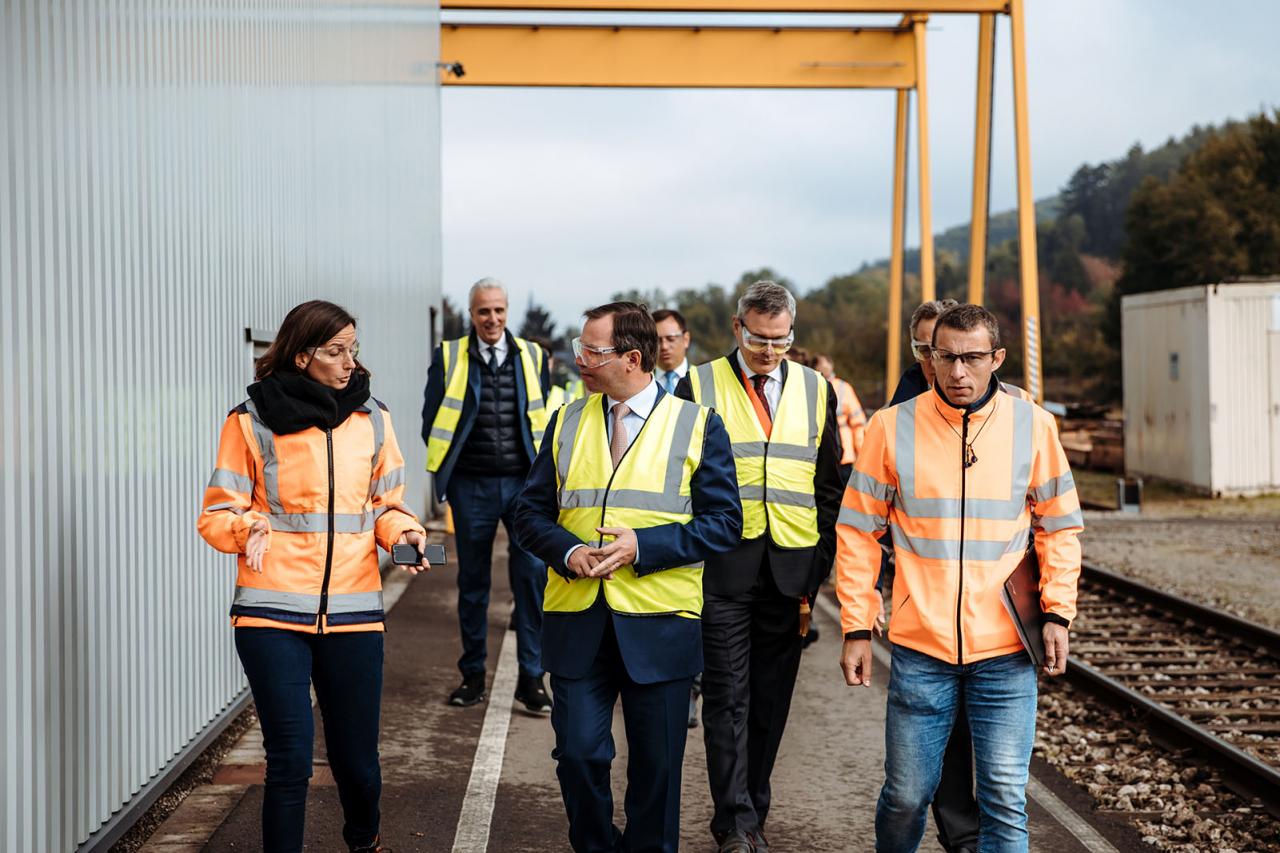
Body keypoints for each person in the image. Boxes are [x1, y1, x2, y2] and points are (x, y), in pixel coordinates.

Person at [836, 303, 1083, 853]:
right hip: (922, 649)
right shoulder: (890, 428)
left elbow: (1060, 529)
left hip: (1005, 652)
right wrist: (856, 625)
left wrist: (1058, 612)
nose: (958, 372)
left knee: (1003, 796)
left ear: (997, 358)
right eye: (944, 357)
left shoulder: (1034, 427)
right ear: (929, 356)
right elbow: (856, 532)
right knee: (906, 794)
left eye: (972, 358)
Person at [198, 300, 432, 853]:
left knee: (356, 761)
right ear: (302, 356)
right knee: (289, 759)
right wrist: (245, 527)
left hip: (353, 613)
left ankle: (364, 840)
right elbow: (216, 513)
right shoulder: (249, 421)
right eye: (335, 351)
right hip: (270, 612)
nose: (349, 362)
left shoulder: (373, 418)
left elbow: (385, 504)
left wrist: (404, 534)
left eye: (353, 348)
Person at [514, 302, 742, 853]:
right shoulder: (567, 420)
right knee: (578, 753)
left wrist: (644, 546)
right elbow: (528, 514)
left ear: (632, 359)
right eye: (580, 348)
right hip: (577, 622)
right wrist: (567, 552)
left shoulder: (697, 425)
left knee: (657, 776)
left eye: (592, 352)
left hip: (660, 627)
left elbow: (724, 524)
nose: (580, 361)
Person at [678, 281, 844, 853]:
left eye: (781, 340)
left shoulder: (816, 389)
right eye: (758, 338)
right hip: (721, 569)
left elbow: (828, 484)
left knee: (771, 703)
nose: (769, 350)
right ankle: (734, 823)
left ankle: (753, 812)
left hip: (791, 571)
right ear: (736, 327)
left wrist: (819, 561)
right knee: (727, 697)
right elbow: (680, 480)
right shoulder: (696, 384)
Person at [421, 277, 553, 712]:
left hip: (523, 485)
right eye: (483, 311)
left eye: (498, 310)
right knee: (473, 583)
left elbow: (541, 416)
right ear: (472, 313)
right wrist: (454, 475)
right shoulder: (449, 356)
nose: (492, 319)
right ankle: (472, 675)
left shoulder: (532, 356)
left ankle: (532, 679)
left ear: (506, 311)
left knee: (531, 578)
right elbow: (431, 420)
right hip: (471, 486)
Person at [814, 353, 867, 479]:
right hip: (820, 456)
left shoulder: (843, 387)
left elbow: (858, 423)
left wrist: (862, 454)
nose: (825, 367)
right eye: (821, 364)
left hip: (843, 456)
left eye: (827, 364)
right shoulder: (811, 386)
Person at [653, 308, 692, 394]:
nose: (664, 346)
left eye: (671, 339)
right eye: (657, 341)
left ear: (686, 339)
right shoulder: (643, 384)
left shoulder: (701, 379)